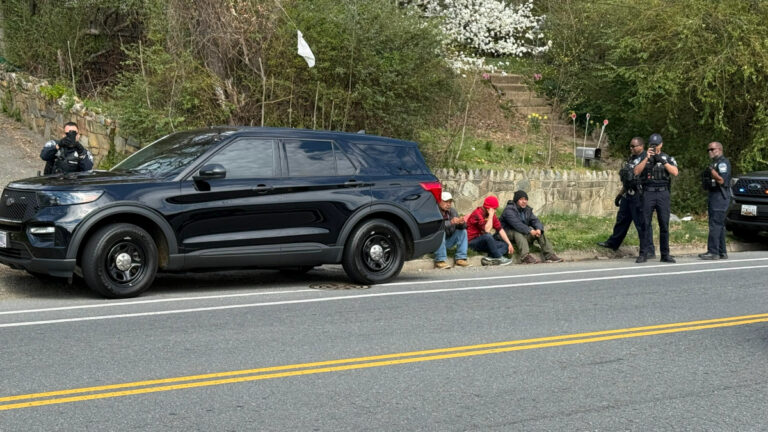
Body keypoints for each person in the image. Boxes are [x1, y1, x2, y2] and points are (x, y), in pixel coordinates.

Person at [597, 137, 655, 257]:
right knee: (622, 220)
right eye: (630, 146)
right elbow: (628, 179)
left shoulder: (647, 158)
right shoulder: (631, 158)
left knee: (642, 223)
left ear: (641, 146)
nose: (631, 148)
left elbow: (639, 175)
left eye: (634, 146)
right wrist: (620, 194)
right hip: (628, 194)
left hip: (639, 195)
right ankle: (613, 243)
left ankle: (649, 250)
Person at [633, 133, 678, 263]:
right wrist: (647, 158)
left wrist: (662, 160)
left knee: (664, 224)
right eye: (652, 145)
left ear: (661, 144)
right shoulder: (643, 157)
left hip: (663, 193)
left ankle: (665, 254)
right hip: (648, 193)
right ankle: (643, 253)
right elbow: (636, 172)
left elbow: (675, 172)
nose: (655, 148)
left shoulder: (667, 157)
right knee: (645, 224)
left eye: (657, 145)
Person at [500, 190, 563, 264]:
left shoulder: (527, 210)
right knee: (517, 231)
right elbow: (517, 225)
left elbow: (535, 220)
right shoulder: (509, 210)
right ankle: (525, 256)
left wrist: (538, 229)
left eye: (526, 199)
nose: (524, 201)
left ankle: (550, 256)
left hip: (522, 236)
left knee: (539, 233)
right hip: (506, 234)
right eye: (521, 199)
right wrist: (530, 231)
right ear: (516, 200)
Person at [698, 141, 731, 260]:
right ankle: (722, 251)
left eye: (712, 149)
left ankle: (713, 252)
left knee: (715, 224)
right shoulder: (715, 163)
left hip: (720, 196)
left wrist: (712, 171)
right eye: (708, 150)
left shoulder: (723, 163)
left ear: (719, 150)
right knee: (719, 225)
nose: (710, 152)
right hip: (714, 195)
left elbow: (722, 180)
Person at [466, 195, 514, 266]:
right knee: (488, 236)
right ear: (489, 208)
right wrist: (491, 216)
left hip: (483, 242)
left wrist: (509, 243)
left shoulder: (491, 214)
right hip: (471, 242)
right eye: (494, 209)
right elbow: (487, 230)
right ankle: (499, 258)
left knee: (505, 245)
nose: (495, 210)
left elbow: (500, 229)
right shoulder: (477, 213)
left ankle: (490, 259)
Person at [433, 191, 470, 269]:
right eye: (446, 201)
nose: (448, 204)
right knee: (441, 232)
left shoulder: (453, 211)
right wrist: (451, 222)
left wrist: (461, 223)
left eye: (450, 202)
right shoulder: (434, 211)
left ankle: (460, 258)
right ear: (439, 201)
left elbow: (462, 227)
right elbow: (437, 226)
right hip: (434, 243)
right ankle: (440, 260)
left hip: (447, 241)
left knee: (463, 232)